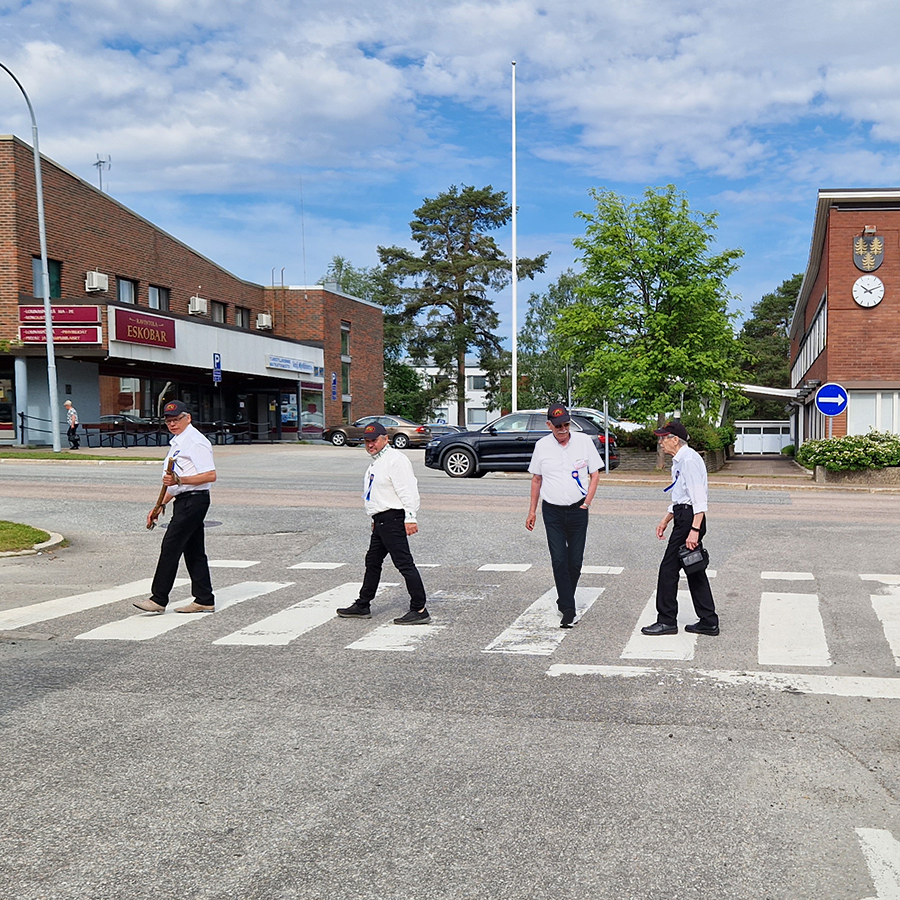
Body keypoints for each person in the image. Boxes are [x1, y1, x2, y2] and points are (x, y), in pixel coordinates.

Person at [336, 422, 430, 625]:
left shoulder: (395, 460)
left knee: (404, 563)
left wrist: (411, 517)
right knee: (372, 562)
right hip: (381, 521)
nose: (370, 445)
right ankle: (363, 605)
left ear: (385, 438)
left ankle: (419, 608)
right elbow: (377, 493)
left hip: (394, 518)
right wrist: (374, 518)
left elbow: (408, 490)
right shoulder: (376, 462)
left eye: (374, 440)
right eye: (367, 441)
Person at [134, 401, 217, 615]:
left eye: (176, 419)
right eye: (168, 420)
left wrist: (179, 480)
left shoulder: (196, 441)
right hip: (184, 500)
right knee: (194, 551)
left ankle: (158, 598)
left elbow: (210, 475)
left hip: (195, 500)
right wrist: (159, 505)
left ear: (187, 418)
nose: (172, 424)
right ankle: (204, 599)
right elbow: (174, 483)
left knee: (170, 546)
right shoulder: (179, 442)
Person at [526, 404, 603, 628]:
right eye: (558, 426)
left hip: (578, 509)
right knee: (559, 559)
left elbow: (595, 474)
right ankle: (568, 609)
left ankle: (564, 596)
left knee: (575, 561)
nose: (563, 429)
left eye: (566, 425)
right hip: (552, 511)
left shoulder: (583, 442)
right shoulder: (542, 446)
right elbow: (536, 480)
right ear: (549, 425)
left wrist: (587, 503)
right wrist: (532, 511)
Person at [641, 420, 719, 637]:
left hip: (690, 519)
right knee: (693, 568)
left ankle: (666, 620)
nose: (660, 442)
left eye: (663, 438)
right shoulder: (680, 460)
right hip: (684, 516)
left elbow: (698, 499)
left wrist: (694, 530)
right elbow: (680, 496)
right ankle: (708, 620)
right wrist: (665, 519)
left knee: (668, 570)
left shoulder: (689, 460)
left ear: (675, 439)